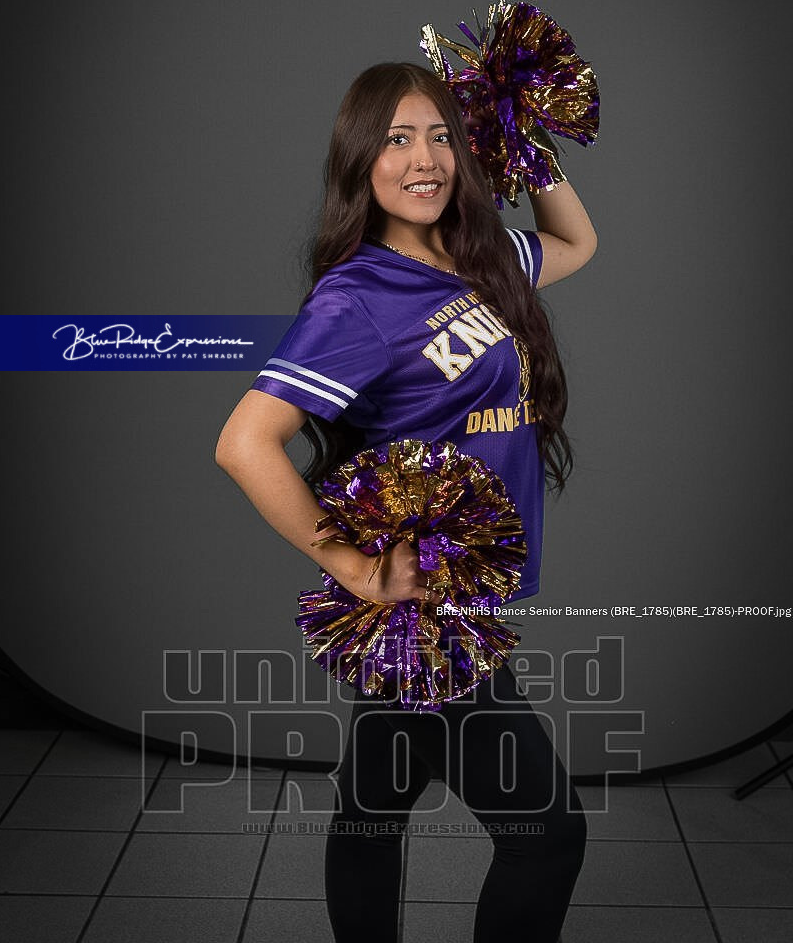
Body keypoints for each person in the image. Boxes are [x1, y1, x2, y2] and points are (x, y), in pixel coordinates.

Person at [215, 60, 597, 942]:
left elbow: (576, 243)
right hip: (427, 614)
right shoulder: (357, 298)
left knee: (371, 809)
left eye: (439, 137)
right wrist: (354, 569)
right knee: (548, 836)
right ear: (361, 160)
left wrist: (525, 133)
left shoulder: (480, 262)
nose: (423, 159)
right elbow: (244, 443)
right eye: (396, 139)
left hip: (465, 591)